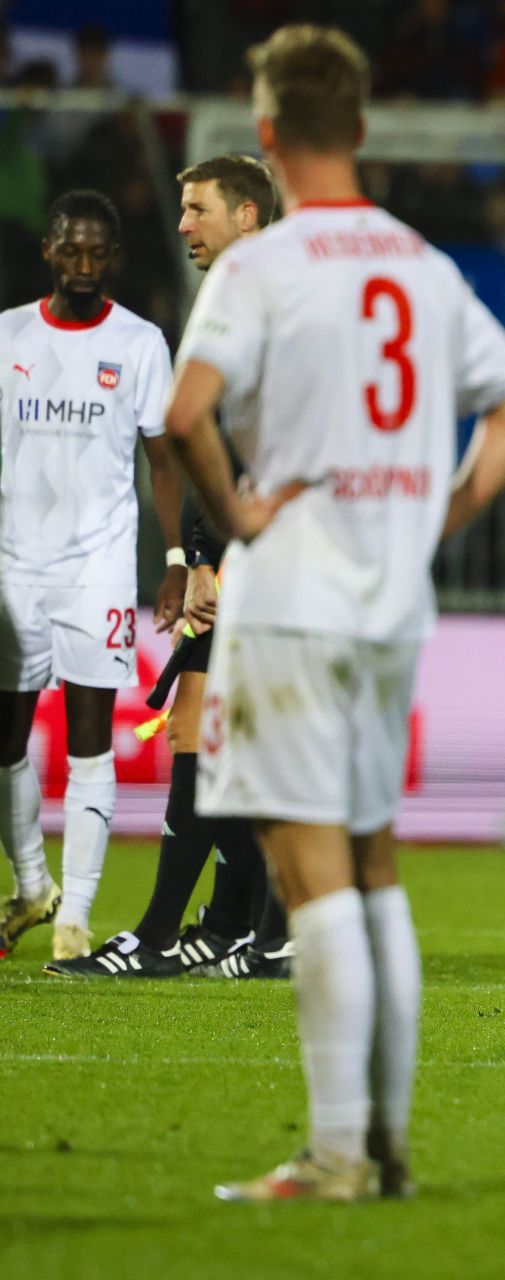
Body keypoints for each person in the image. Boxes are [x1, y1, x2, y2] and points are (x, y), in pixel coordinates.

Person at [164, 25, 505, 1202]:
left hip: (291, 601)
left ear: (269, 133)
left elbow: (186, 409)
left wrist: (235, 509)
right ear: (366, 129)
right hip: (392, 600)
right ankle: (382, 1142)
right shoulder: (423, 265)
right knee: (376, 862)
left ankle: (338, 1149)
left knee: (309, 870)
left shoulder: (264, 266)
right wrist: (438, 515)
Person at [46, 154, 290, 980]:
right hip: (239, 554)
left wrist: (214, 559)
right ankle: (229, 927)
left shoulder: (262, 298)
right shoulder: (244, 294)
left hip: (259, 561)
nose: (182, 225)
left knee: (215, 736)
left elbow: (240, 441)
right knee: (221, 740)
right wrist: (191, 555)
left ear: (246, 215)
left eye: (198, 209)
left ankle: (193, 934)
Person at [0, 189, 186, 962]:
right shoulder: (7, 335)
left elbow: (164, 457)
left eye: (96, 251)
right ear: (48, 250)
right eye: (70, 249)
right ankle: (33, 885)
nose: (83, 264)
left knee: (87, 741)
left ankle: (74, 916)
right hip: (15, 565)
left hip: (99, 567)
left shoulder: (140, 343)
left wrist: (177, 559)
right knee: (6, 743)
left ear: (112, 256)